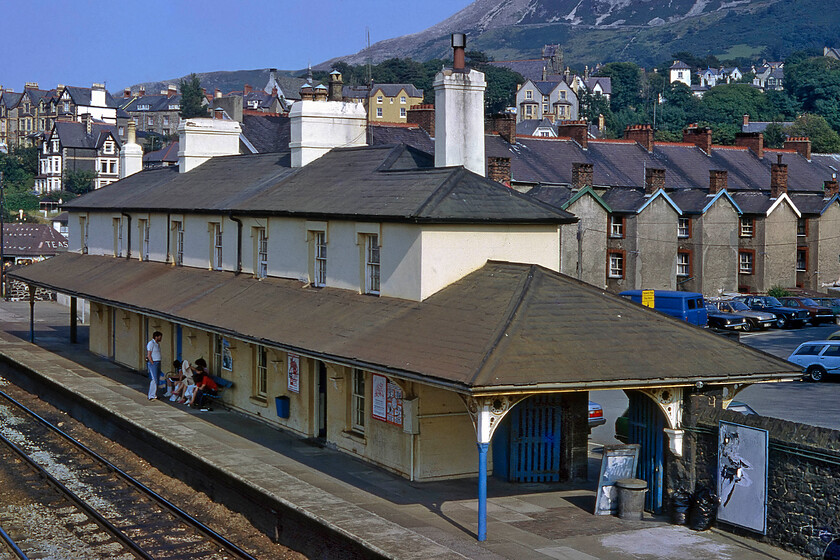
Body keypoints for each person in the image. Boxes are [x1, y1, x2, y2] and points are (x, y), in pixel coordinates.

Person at [145, 331, 163, 400]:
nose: (161, 338)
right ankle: (151, 395)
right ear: (156, 337)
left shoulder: (157, 344)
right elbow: (149, 354)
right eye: (160, 337)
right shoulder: (151, 343)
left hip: (158, 362)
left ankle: (154, 394)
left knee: (157, 379)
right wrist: (152, 362)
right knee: (154, 379)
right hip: (154, 363)